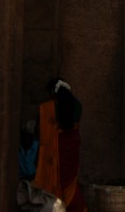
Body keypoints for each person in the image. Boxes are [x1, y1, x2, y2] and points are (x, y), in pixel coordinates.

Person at [33, 78, 87, 211]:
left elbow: (38, 131)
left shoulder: (48, 108)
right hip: (71, 149)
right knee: (69, 181)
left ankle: (54, 206)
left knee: (55, 179)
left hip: (55, 150)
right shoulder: (77, 106)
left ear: (53, 92)